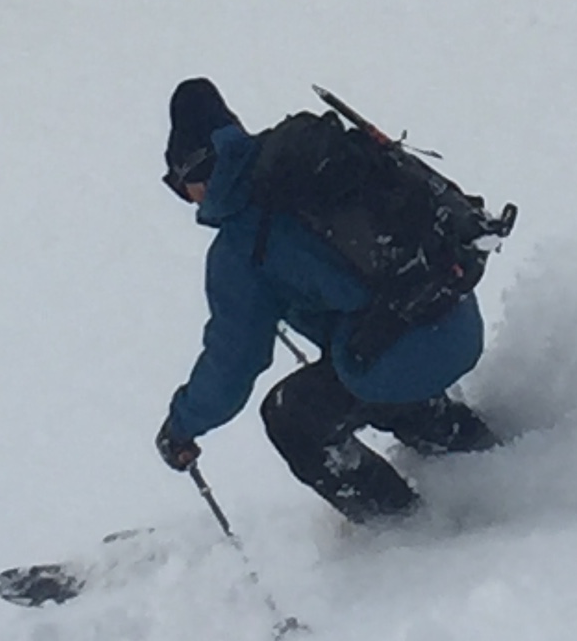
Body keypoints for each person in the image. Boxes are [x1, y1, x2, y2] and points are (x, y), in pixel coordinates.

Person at [154, 76, 498, 523]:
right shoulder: (308, 169)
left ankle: (405, 529)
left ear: (195, 173)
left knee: (293, 417)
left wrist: (182, 426)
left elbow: (233, 363)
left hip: (400, 357)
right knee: (365, 361)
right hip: (453, 314)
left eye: (178, 183)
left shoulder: (240, 249)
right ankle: (489, 454)